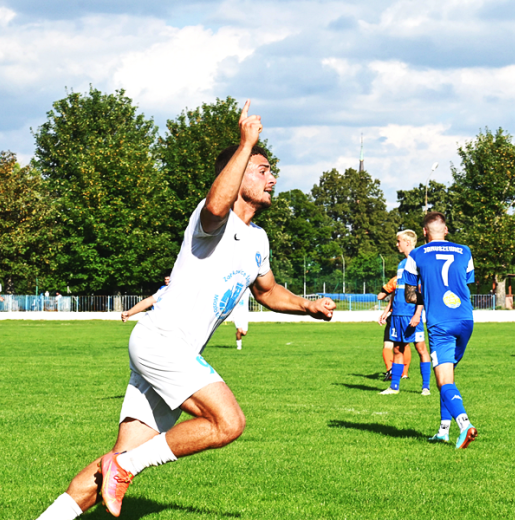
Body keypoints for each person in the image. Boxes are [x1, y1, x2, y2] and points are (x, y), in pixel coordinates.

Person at [37, 100, 336, 520]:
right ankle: (123, 467)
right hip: (164, 342)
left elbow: (268, 291)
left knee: (123, 453)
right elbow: (217, 207)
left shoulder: (258, 240)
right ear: (234, 170)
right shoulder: (211, 216)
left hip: (169, 350)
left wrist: (308, 305)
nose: (272, 178)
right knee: (227, 423)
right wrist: (246, 141)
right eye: (262, 169)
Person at [403, 211, 477, 449]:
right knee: (448, 376)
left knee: (444, 381)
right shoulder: (465, 250)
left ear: (424, 232)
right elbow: (466, 281)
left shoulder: (416, 254)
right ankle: (443, 431)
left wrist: (428, 289)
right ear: (446, 230)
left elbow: (410, 295)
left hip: (440, 323)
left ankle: (464, 424)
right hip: (465, 319)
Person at [380, 230, 431, 396]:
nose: (397, 244)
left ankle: (426, 387)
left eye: (399, 241)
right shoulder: (402, 264)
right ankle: (394, 387)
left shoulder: (419, 262)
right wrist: (387, 310)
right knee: (397, 350)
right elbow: (397, 290)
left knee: (421, 348)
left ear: (407, 243)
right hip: (397, 314)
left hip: (411, 314)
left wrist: (417, 314)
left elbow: (421, 290)